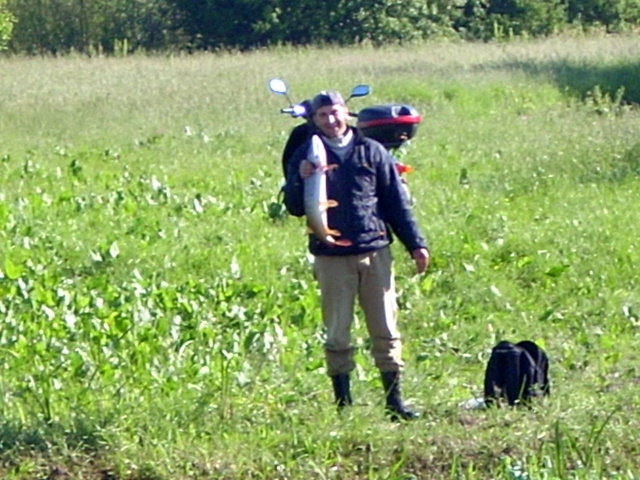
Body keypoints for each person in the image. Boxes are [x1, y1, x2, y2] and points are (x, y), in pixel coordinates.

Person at [283, 90, 430, 421]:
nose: (330, 120)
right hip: (331, 257)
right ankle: (343, 406)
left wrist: (416, 244)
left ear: (346, 113)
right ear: (315, 120)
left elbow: (395, 202)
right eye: (322, 115)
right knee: (338, 332)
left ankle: (395, 404)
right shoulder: (305, 154)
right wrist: (300, 179)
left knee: (386, 329)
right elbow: (294, 206)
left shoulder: (373, 150)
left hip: (375, 250)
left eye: (335, 112)